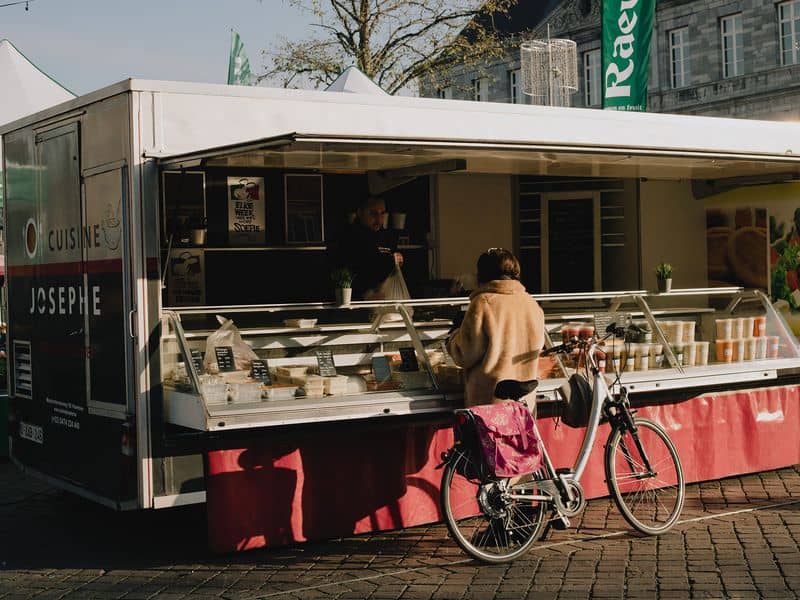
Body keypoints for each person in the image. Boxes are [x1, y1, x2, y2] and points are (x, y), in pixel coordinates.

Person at [447, 248, 545, 408]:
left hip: (490, 403)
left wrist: (453, 336)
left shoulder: (483, 303)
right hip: (524, 404)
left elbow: (464, 354)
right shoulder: (532, 304)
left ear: (482, 275)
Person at [331, 196, 404, 300]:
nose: (379, 219)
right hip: (356, 304)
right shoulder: (348, 237)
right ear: (360, 213)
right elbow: (364, 268)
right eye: (373, 213)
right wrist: (391, 261)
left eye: (382, 213)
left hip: (381, 301)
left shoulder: (385, 237)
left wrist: (397, 260)